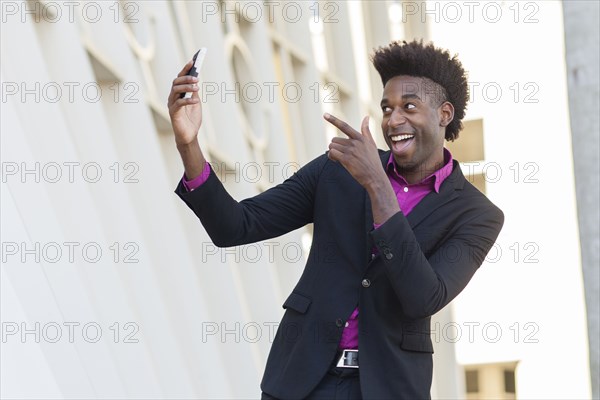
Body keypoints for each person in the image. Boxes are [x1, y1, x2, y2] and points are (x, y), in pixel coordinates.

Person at [168, 40, 504, 399]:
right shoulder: (337, 169)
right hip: (301, 382)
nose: (393, 120)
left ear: (444, 113)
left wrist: (378, 186)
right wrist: (189, 144)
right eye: (386, 108)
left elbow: (423, 298)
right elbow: (235, 226)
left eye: (409, 107)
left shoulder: (477, 215)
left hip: (387, 388)